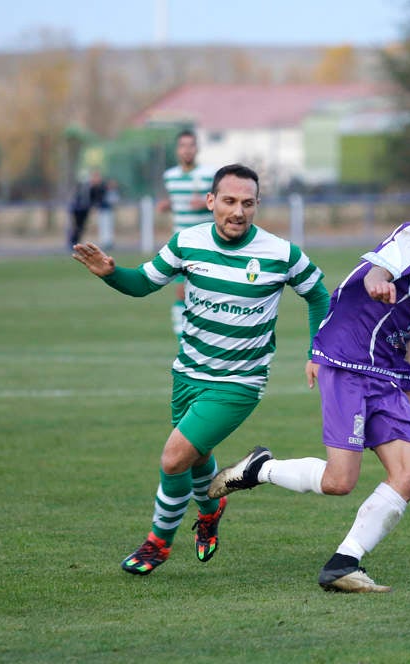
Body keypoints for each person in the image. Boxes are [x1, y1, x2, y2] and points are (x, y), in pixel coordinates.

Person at [209, 174, 410, 593]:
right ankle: (260, 468)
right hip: (348, 361)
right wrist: (377, 280)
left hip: (387, 373)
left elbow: (408, 331)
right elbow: (382, 265)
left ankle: (342, 564)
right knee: (340, 482)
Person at [72, 164, 330, 576]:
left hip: (238, 383)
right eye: (229, 201)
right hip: (188, 373)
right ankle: (211, 508)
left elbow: (319, 296)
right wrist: (111, 274)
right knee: (196, 458)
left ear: (257, 205)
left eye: (247, 203)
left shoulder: (281, 253)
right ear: (211, 202)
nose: (238, 211)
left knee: (174, 458)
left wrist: (318, 350)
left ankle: (157, 544)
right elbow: (143, 282)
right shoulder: (186, 243)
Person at [156, 128, 217, 337]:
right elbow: (177, 203)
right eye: (183, 146)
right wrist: (167, 205)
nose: (187, 150)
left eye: (191, 145)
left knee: (207, 291)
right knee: (181, 291)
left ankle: (210, 333)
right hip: (181, 243)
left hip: (207, 242)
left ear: (197, 148)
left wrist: (205, 204)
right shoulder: (170, 177)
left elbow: (221, 202)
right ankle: (182, 336)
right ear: (177, 150)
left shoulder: (209, 175)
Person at [68, 169, 106, 247]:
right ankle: (72, 242)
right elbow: (80, 198)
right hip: (78, 209)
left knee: (81, 227)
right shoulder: (85, 186)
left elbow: (97, 199)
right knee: (77, 226)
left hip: (85, 209)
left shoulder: (97, 188)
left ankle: (76, 243)